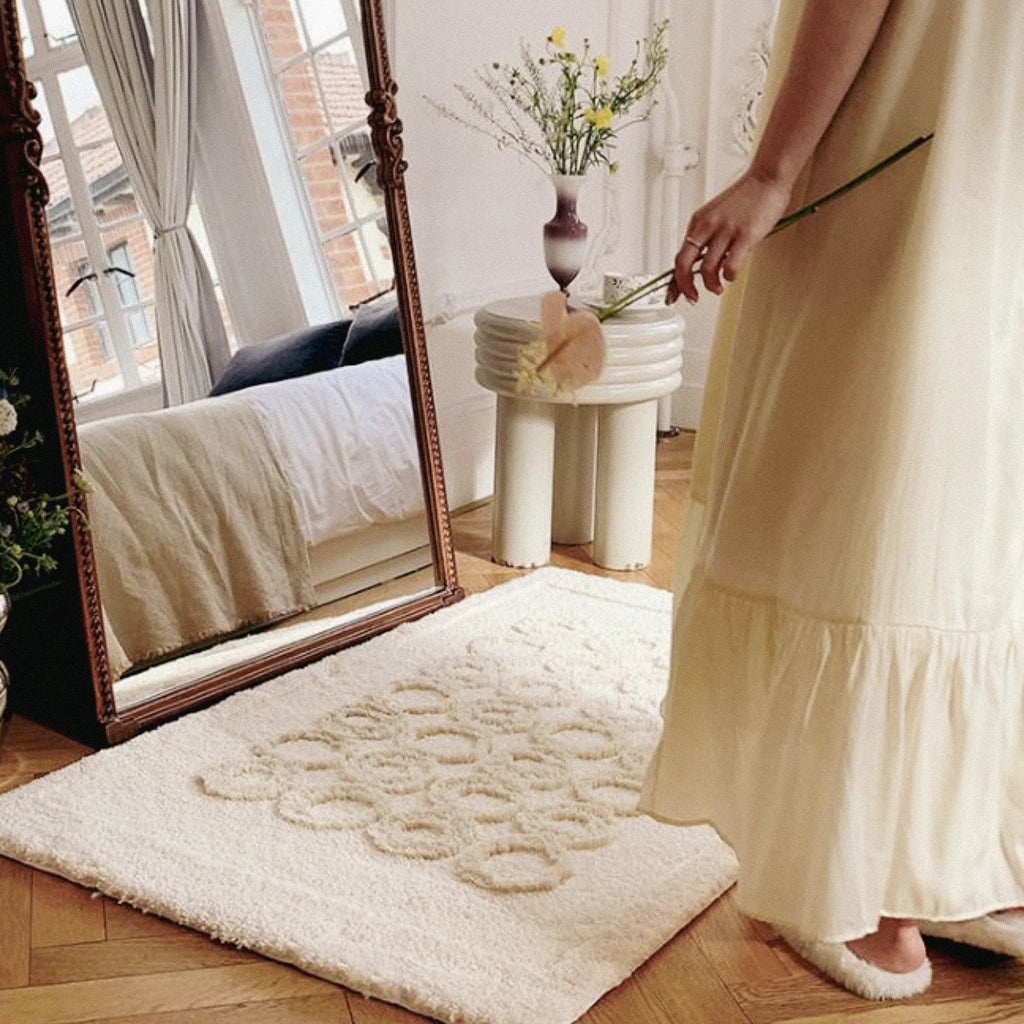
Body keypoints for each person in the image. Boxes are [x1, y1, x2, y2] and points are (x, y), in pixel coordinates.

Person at [639, 0, 1024, 1001]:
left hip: (913, 149)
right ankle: (945, 847)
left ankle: (871, 871)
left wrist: (772, 173)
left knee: (859, 477)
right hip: (986, 148)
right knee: (958, 490)